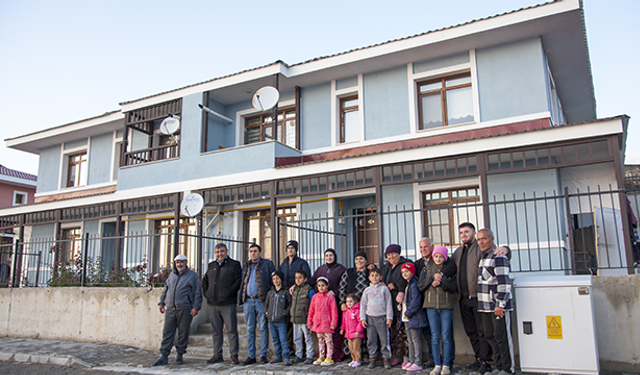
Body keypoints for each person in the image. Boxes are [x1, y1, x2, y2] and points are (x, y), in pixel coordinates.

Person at [451, 222, 508, 373]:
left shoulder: (481, 249)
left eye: (467, 232)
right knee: (472, 332)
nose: (464, 235)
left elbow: (500, 255)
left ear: (474, 233)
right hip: (463, 298)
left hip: (480, 298)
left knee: (484, 332)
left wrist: (506, 249)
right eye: (461, 232)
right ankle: (478, 359)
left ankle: (486, 361)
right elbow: (448, 267)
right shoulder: (458, 252)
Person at [477, 229, 515, 375]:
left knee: (502, 337)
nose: (481, 242)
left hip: (497, 307)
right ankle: (499, 367)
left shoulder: (499, 256)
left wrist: (500, 304)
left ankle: (507, 368)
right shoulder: (483, 257)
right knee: (491, 336)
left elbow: (504, 282)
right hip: (485, 307)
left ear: (492, 239)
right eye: (479, 239)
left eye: (484, 238)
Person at [153, 254, 202, 366]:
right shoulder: (172, 275)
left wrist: (196, 307)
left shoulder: (192, 276)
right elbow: (165, 290)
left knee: (183, 333)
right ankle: (164, 356)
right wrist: (161, 303)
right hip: (170, 309)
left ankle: (180, 355)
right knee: (167, 333)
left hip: (185, 309)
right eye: (177, 262)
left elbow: (197, 292)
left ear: (186, 262)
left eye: (181, 262)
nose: (179, 264)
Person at [202, 243, 242, 365]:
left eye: (222, 251)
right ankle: (217, 354)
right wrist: (207, 294)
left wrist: (228, 293)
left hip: (227, 303)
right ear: (215, 253)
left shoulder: (234, 265)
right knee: (216, 331)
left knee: (231, 330)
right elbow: (205, 282)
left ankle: (234, 355)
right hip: (212, 304)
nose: (220, 254)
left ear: (227, 251)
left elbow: (238, 281)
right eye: (218, 252)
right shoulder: (211, 266)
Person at [420, 246, 458, 375]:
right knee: (435, 336)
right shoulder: (426, 270)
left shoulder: (449, 271)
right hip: (431, 306)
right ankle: (437, 363)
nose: (438, 259)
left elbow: (453, 288)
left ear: (445, 258)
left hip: (446, 306)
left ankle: (446, 364)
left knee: (446, 336)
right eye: (436, 256)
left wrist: (441, 281)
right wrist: (431, 279)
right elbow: (421, 286)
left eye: (441, 257)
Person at [238, 243, 276, 365]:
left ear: (260, 252)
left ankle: (263, 354)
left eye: (255, 251)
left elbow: (272, 282)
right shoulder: (246, 265)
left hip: (261, 300)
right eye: (251, 251)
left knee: (263, 327)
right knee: (250, 328)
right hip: (248, 300)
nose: (253, 253)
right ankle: (251, 355)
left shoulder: (267, 264)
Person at [308, 248, 347, 361]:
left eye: (331, 255)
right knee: (323, 336)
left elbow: (344, 284)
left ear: (335, 256)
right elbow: (312, 282)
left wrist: (335, 291)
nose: (329, 258)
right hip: (322, 308)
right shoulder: (321, 269)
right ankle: (323, 355)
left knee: (335, 330)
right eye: (326, 256)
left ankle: (336, 354)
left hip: (335, 302)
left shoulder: (340, 269)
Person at [381, 243, 412, 366]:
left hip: (402, 302)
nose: (391, 256)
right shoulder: (386, 267)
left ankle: (406, 356)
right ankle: (396, 355)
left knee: (403, 331)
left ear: (399, 253)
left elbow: (406, 278)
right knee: (393, 330)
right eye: (388, 254)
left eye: (394, 253)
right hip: (389, 303)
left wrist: (398, 288)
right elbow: (381, 278)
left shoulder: (405, 263)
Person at [279, 239, 310, 357]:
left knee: (299, 323)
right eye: (288, 248)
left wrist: (295, 286)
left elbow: (306, 277)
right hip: (286, 295)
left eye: (292, 248)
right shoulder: (283, 264)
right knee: (287, 323)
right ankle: (290, 349)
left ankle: (303, 350)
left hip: (298, 295)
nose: (290, 250)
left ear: (296, 250)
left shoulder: (302, 263)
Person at [338, 250, 371, 361]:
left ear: (366, 261)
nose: (359, 261)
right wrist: (342, 302)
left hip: (367, 307)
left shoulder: (369, 273)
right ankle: (351, 353)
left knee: (365, 328)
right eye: (356, 259)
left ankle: (365, 353)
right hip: (351, 307)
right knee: (351, 329)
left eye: (361, 259)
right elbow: (342, 288)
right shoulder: (349, 272)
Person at [360, 267, 394, 369]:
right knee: (371, 339)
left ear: (380, 277)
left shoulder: (384, 289)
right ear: (369, 278)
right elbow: (363, 305)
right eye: (372, 276)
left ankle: (386, 358)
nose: (375, 278)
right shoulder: (367, 291)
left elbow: (389, 304)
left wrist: (389, 317)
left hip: (382, 318)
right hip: (370, 318)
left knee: (384, 339)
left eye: (377, 275)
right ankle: (372, 358)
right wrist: (363, 318)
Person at [399, 262, 428, 372]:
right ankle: (411, 360)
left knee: (415, 339)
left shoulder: (414, 284)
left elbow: (416, 301)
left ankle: (417, 361)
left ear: (412, 272)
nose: (404, 274)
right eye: (403, 272)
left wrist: (408, 313)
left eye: (406, 271)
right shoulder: (408, 284)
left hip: (413, 316)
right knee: (410, 339)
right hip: (406, 316)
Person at [307, 276, 338, 366]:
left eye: (323, 285)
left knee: (328, 341)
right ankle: (321, 356)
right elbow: (311, 310)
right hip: (318, 323)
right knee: (320, 341)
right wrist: (309, 322)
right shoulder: (315, 297)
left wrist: (333, 323)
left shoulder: (330, 297)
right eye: (319, 285)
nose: (321, 287)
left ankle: (329, 357)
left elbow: (334, 311)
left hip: (327, 324)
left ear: (327, 286)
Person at [264, 271, 292, 365]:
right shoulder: (270, 292)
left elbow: (290, 304)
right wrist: (267, 313)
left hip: (281, 320)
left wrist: (285, 312)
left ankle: (286, 357)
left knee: (283, 338)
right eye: (274, 279)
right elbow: (266, 304)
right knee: (275, 339)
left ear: (281, 279)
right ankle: (278, 356)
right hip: (271, 320)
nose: (276, 281)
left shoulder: (285, 292)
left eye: (277, 278)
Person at [289, 269, 315, 364]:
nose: (298, 280)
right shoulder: (295, 290)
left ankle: (309, 355)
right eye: (296, 278)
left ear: (305, 279)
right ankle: (298, 355)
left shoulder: (309, 290)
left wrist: (311, 318)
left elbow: (313, 304)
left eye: (300, 278)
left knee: (307, 338)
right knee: (297, 338)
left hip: (305, 319)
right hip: (296, 319)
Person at [340, 293, 365, 367]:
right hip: (348, 333)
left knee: (356, 347)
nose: (349, 303)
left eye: (351, 301)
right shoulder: (346, 311)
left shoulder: (357, 310)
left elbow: (360, 322)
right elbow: (344, 321)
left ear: (355, 301)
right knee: (351, 348)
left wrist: (358, 331)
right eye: (347, 302)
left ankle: (358, 360)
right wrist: (342, 329)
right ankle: (353, 359)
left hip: (356, 333)